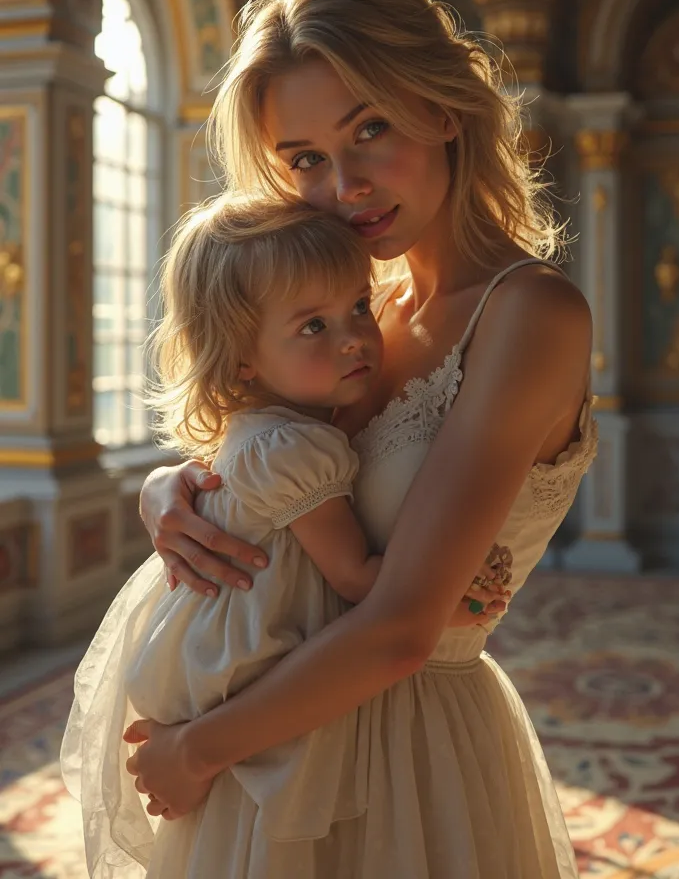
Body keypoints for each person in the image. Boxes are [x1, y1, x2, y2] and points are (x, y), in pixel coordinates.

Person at [126, 0, 599, 878]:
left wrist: (197, 750)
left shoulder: (530, 316)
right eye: (305, 159)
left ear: (443, 107)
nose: (344, 185)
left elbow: (399, 631)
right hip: (274, 756)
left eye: (370, 129)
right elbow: (266, 447)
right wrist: (170, 490)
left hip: (405, 760)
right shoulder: (359, 309)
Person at [61, 195, 507, 879]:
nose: (354, 337)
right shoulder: (300, 448)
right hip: (264, 669)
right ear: (243, 359)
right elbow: (357, 579)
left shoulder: (261, 427)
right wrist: (454, 597)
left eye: (359, 306)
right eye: (314, 327)